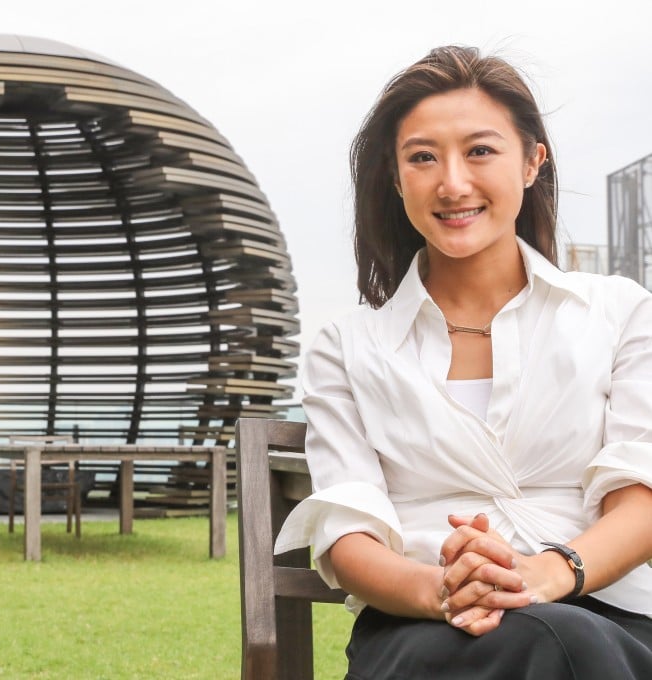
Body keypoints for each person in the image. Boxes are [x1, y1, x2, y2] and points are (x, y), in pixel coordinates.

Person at [275, 45, 652, 678]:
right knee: (539, 645)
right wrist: (445, 590)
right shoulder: (348, 346)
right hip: (419, 627)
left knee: (562, 641)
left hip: (605, 612)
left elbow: (641, 497)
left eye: (480, 150)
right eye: (422, 157)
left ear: (533, 162)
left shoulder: (618, 314)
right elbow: (346, 537)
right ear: (397, 180)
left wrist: (541, 577)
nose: (452, 183)